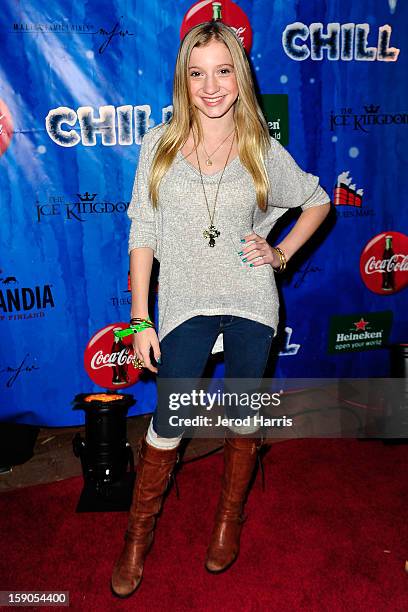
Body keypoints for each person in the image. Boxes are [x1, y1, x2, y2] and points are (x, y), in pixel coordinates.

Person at [111, 20, 331, 598]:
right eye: (197, 72)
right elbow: (144, 230)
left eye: (223, 70)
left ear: (241, 75)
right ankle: (137, 536)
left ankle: (229, 519)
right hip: (184, 302)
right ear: (184, 79)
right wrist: (139, 318)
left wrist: (279, 251)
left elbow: (317, 199)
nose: (211, 86)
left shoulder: (261, 147)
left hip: (251, 298)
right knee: (170, 420)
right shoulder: (158, 145)